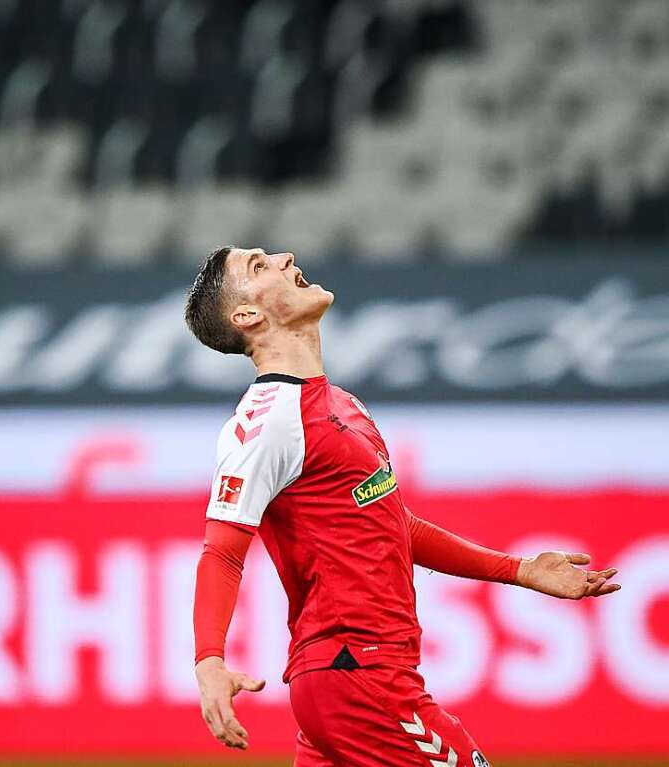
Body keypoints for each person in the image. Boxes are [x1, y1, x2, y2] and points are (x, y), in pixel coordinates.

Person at [183, 246, 621, 767]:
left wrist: (520, 570)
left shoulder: (342, 404)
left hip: (349, 680)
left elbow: (395, 526)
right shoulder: (266, 422)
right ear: (248, 316)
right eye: (259, 267)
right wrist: (210, 661)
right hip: (359, 680)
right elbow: (223, 551)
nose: (283, 257)